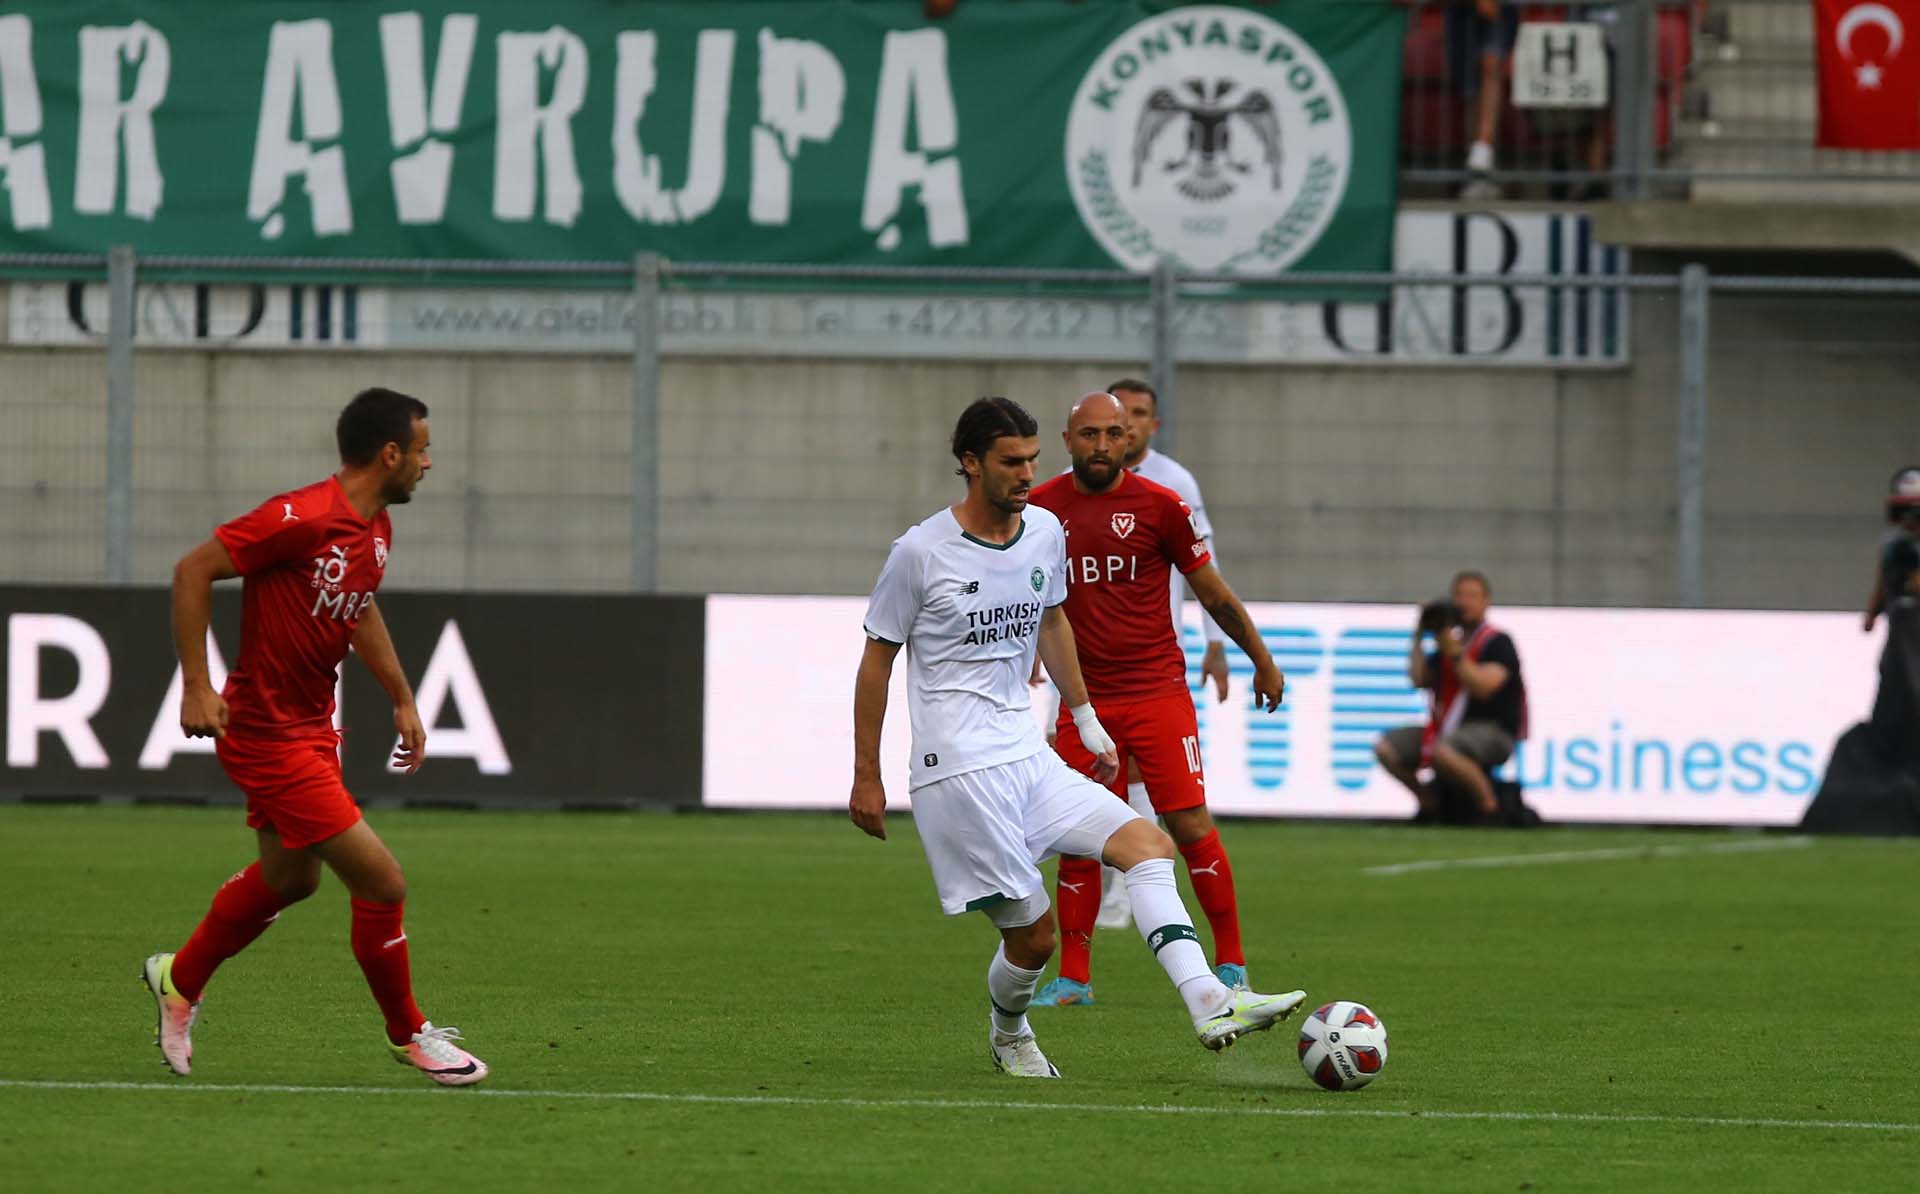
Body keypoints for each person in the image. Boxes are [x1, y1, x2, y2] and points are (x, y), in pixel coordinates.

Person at [849, 396, 1305, 1076]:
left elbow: (1054, 619)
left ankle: (1211, 999)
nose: (1026, 474)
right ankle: (1009, 1034)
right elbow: (876, 660)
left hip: (1026, 756)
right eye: (1011, 462)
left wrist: (1085, 718)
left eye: (1033, 460)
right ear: (971, 464)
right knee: (1035, 940)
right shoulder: (920, 552)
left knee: (1148, 846)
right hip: (958, 772)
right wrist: (867, 774)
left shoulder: (1043, 531)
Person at [144, 387, 487, 1086]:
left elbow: (358, 608)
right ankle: (409, 1034)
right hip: (266, 734)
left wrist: (402, 697)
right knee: (383, 882)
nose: (428, 463)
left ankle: (180, 979)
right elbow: (192, 571)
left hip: (311, 729)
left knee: (290, 879)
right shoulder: (299, 517)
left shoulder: (376, 528)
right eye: (422, 450)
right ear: (389, 454)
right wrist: (197, 685)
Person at [1026, 392, 1290, 1007]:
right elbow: (1023, 595)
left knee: (1191, 825)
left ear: (1129, 441)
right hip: (1083, 698)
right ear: (1067, 441)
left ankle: (1232, 967)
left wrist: (1262, 659)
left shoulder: (1163, 505)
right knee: (1078, 834)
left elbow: (1212, 592)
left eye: (1112, 434)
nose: (1101, 445)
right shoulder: (1040, 511)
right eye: (1089, 434)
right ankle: (1074, 980)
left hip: (1157, 693)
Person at [1374, 570, 1528, 822]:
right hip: (1448, 731)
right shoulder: (1448, 644)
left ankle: (1490, 808)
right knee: (1387, 748)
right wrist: (1419, 634)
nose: (1464, 602)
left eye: (1472, 596)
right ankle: (1429, 803)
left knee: (1444, 750)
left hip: (1492, 731)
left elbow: (1482, 686)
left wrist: (1453, 650)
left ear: (1486, 602)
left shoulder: (1497, 642)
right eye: (1459, 595)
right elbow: (1419, 680)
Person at [1447, 0, 1520, 200]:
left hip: (1501, 7)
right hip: (1460, 9)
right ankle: (1477, 170)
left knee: (1491, 65)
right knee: (1470, 89)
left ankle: (1483, 148)